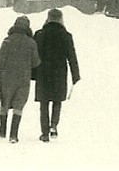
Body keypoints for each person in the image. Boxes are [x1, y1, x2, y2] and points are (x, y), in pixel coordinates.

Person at [33, 8, 81, 142]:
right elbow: (72, 56)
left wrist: (32, 74)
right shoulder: (66, 35)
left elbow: (34, 55)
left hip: (43, 73)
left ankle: (44, 133)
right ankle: (54, 125)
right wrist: (75, 75)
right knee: (57, 101)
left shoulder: (39, 34)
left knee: (44, 103)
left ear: (48, 18)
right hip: (59, 73)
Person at [0, 15, 41, 143]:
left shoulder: (7, 41)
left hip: (7, 77)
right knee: (19, 105)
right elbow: (36, 63)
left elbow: (0, 61)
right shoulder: (31, 43)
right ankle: (14, 135)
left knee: (5, 103)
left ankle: (2, 131)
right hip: (23, 78)